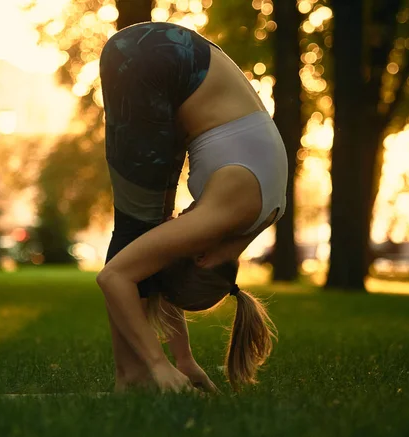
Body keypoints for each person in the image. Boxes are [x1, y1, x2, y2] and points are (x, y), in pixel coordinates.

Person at [97, 21, 288, 393]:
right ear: (199, 257)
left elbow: (163, 256)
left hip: (174, 53)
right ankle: (133, 375)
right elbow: (114, 277)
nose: (179, 226)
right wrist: (159, 364)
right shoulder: (228, 214)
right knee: (136, 228)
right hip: (152, 62)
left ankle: (134, 375)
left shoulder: (262, 213)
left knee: (146, 226)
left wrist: (183, 361)